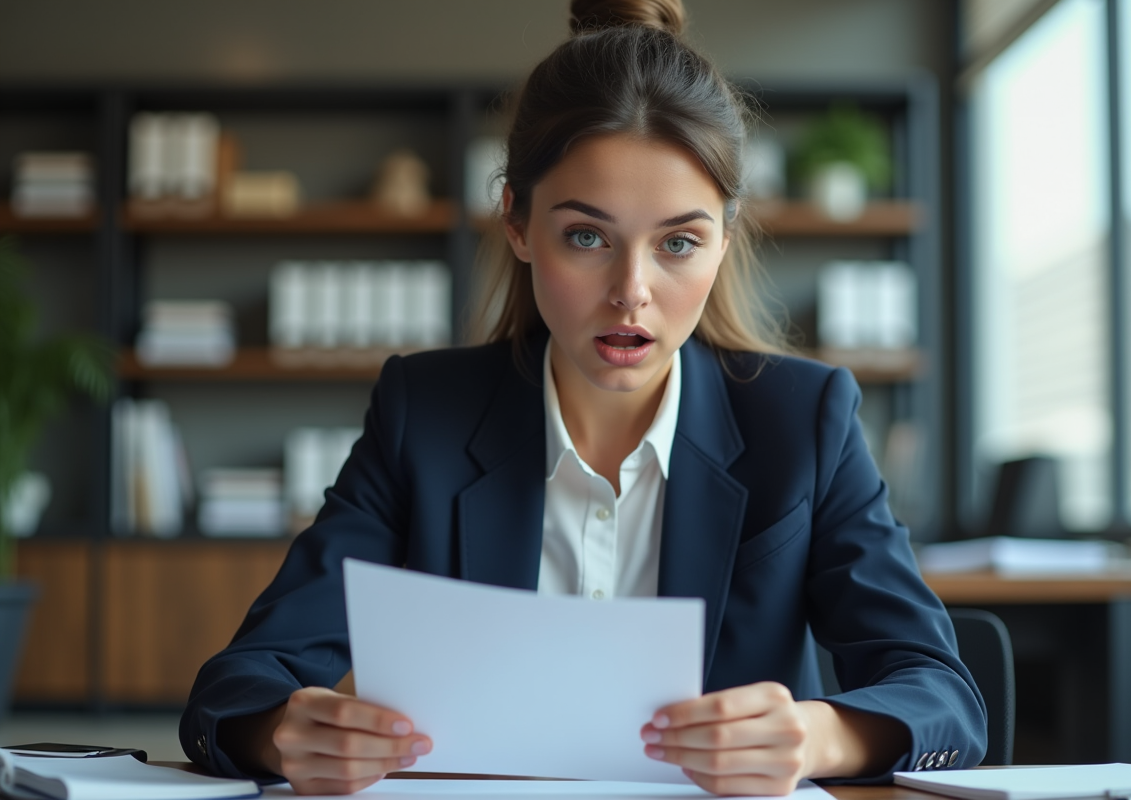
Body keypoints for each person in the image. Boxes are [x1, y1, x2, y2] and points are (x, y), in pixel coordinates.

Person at [180, 0, 987, 795]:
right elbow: (238, 686)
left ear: (725, 240)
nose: (632, 291)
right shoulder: (422, 414)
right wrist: (284, 732)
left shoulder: (804, 420)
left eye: (679, 242)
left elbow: (943, 696)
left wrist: (817, 737)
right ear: (518, 224)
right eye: (587, 236)